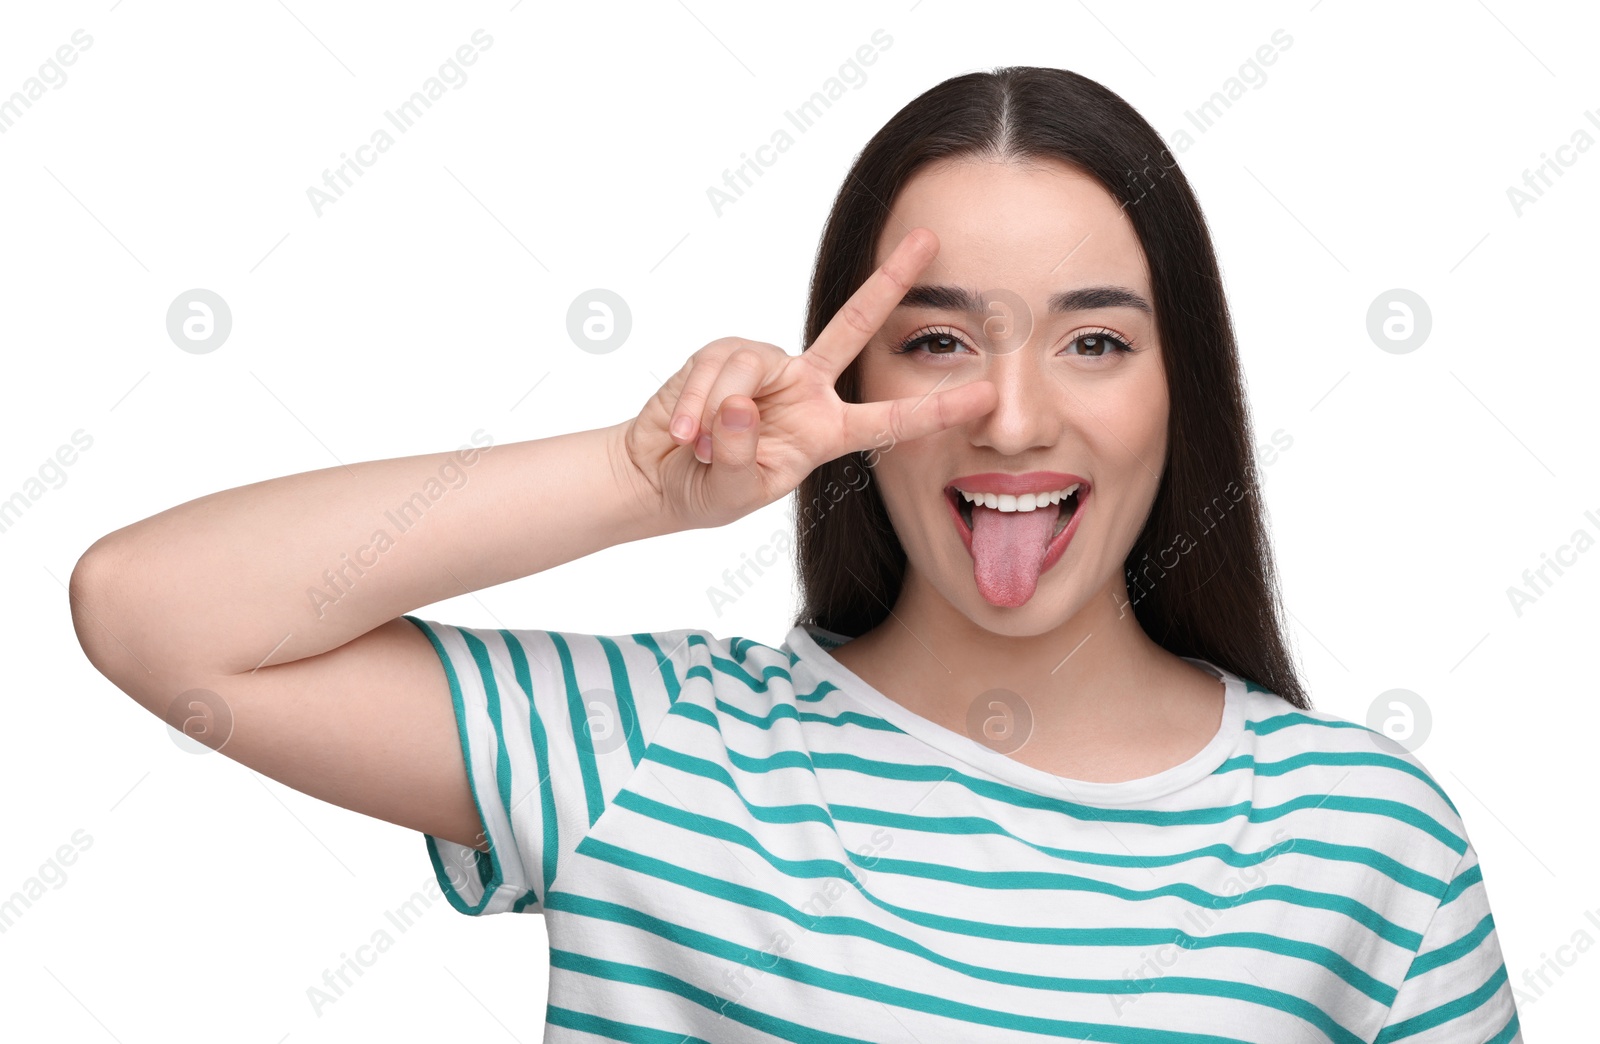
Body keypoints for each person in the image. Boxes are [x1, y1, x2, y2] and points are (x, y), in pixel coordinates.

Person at [70, 66, 1520, 1041]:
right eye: (941, 342)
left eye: (1094, 341)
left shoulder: (1365, 834)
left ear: (1180, 388)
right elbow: (152, 614)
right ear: (852, 397)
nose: (1013, 417)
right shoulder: (654, 747)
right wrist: (648, 482)